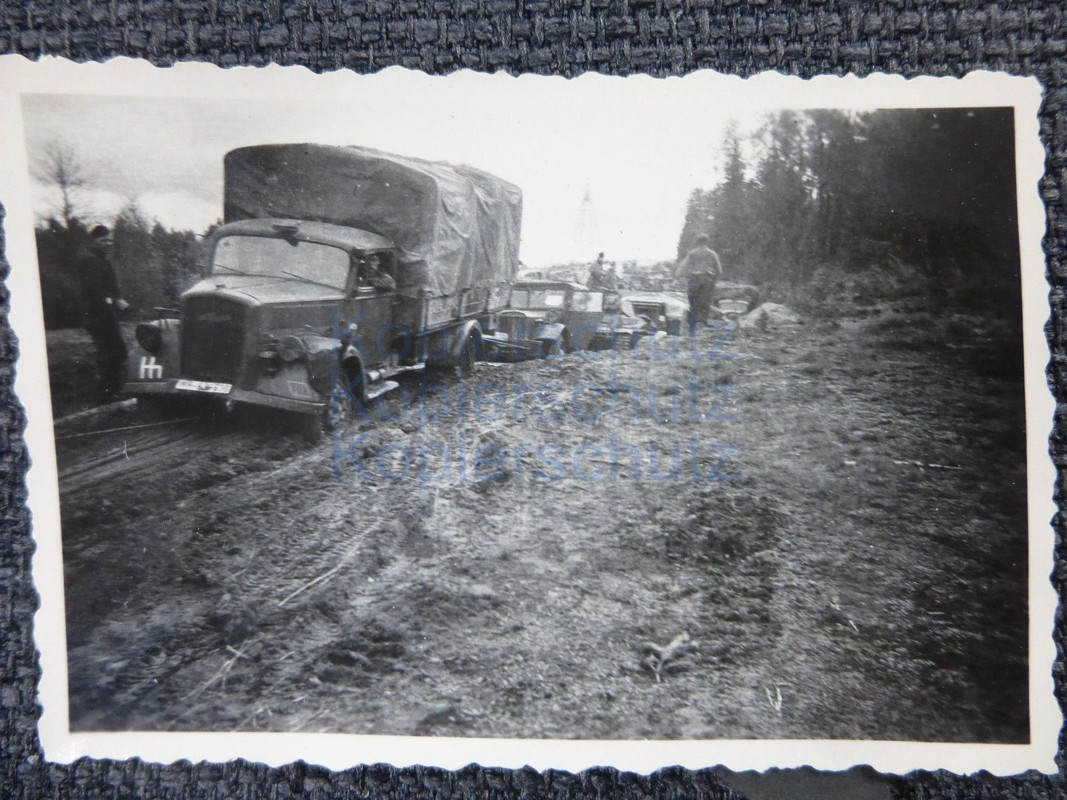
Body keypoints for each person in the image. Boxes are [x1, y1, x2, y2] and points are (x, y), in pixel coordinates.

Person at [79, 225, 128, 403]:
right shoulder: (91, 261)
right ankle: (108, 394)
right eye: (103, 240)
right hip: (98, 314)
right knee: (111, 352)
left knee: (115, 351)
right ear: (94, 241)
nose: (108, 243)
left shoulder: (100, 260)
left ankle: (112, 391)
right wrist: (115, 300)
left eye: (109, 240)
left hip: (104, 313)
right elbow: (94, 290)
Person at [677, 234, 723, 334]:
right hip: (707, 280)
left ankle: (692, 326)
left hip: (694, 279)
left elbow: (684, 266)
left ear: (697, 242)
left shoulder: (692, 253)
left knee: (693, 303)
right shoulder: (712, 254)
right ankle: (703, 323)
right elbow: (719, 270)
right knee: (705, 302)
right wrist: (714, 278)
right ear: (707, 242)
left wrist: (683, 276)